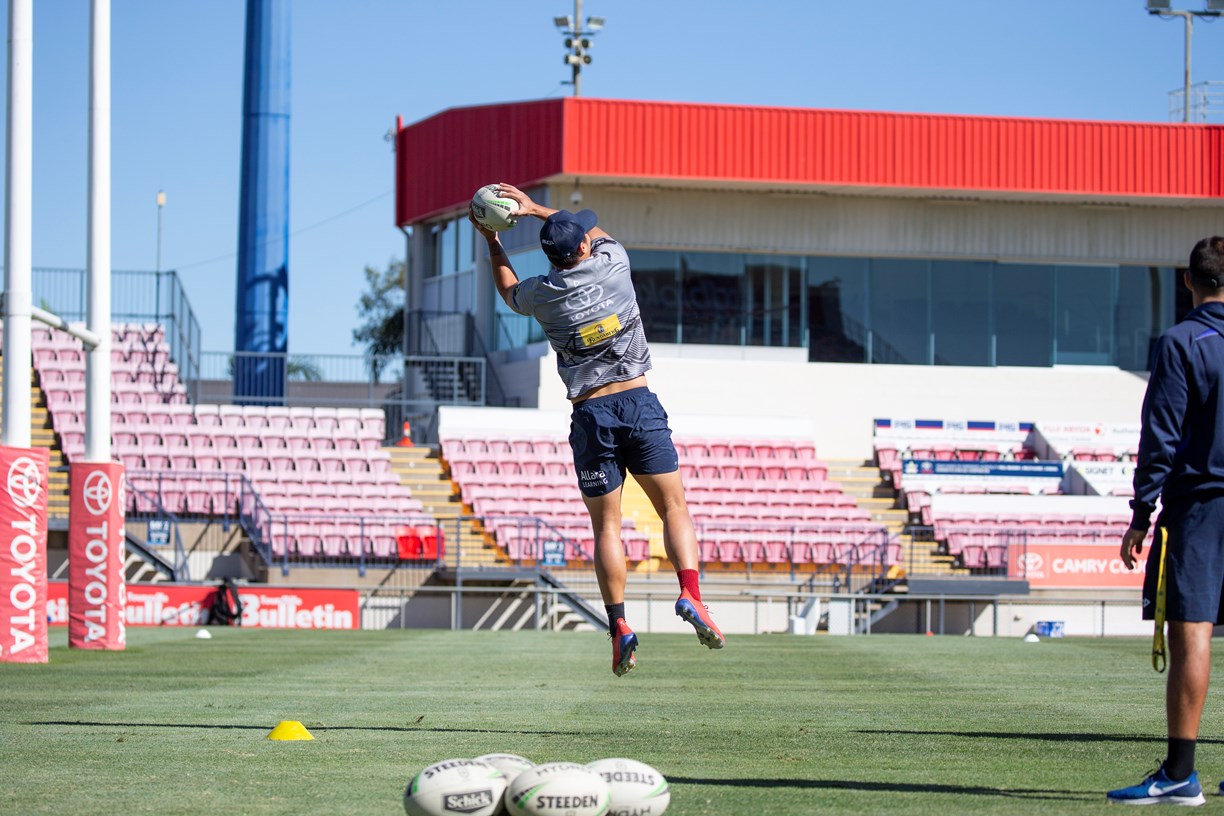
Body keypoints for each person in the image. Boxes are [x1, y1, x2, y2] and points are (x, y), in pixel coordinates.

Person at [468, 182, 724, 678]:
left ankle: (619, 625)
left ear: (551, 257)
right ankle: (690, 593)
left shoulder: (543, 294)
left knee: (607, 528)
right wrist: (535, 209)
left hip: (590, 414)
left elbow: (507, 291)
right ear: (584, 246)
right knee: (673, 507)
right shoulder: (613, 264)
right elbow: (597, 233)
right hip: (638, 403)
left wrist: (493, 239)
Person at [1108, 236, 1224, 806]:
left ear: (1188, 281)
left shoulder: (1182, 342)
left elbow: (1161, 434)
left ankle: (1180, 774)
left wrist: (1141, 512)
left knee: (1192, 631)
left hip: (1200, 506)